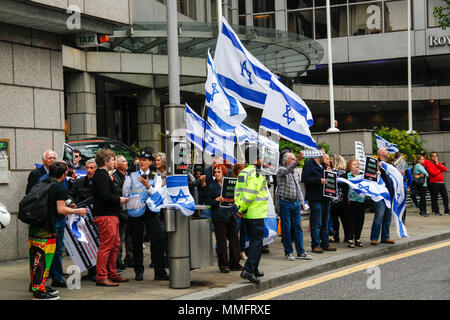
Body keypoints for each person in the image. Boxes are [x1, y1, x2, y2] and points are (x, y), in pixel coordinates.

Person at [28, 161, 87, 300]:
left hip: (35, 226)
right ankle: (38, 292)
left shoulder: (43, 182)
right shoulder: (58, 187)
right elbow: (61, 210)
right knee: (44, 258)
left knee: (36, 257)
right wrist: (77, 211)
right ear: (64, 174)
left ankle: (38, 286)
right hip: (47, 228)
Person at [122, 148, 169, 281]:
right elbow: (125, 194)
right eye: (140, 160)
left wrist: (148, 186)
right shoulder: (131, 176)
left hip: (151, 211)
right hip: (136, 211)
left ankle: (159, 271)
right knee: (136, 241)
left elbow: (158, 195)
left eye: (145, 160)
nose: (141, 162)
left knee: (158, 239)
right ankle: (138, 271)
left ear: (150, 162)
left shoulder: (156, 176)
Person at [92, 149, 129, 286]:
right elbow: (104, 195)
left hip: (110, 215)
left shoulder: (104, 175)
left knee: (115, 245)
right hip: (105, 215)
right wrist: (119, 199)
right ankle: (102, 276)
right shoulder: (101, 175)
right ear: (106, 162)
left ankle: (112, 273)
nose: (115, 162)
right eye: (113, 160)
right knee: (107, 246)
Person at [235, 146, 268, 284]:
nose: (261, 160)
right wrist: (243, 208)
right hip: (255, 212)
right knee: (256, 242)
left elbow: (238, 192)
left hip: (247, 213)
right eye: (260, 157)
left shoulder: (243, 172)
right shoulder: (255, 174)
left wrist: (240, 208)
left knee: (255, 241)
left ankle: (254, 268)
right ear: (256, 159)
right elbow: (250, 194)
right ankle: (249, 270)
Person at [204, 164, 242, 273]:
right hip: (219, 216)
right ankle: (224, 265)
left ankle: (235, 262)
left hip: (230, 214)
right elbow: (208, 203)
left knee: (234, 240)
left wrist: (237, 211)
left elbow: (236, 198)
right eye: (215, 172)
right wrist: (216, 200)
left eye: (218, 172)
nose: (216, 174)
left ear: (224, 173)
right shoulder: (212, 186)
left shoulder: (230, 184)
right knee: (221, 242)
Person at [276, 152, 312, 261]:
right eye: (292, 159)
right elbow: (287, 170)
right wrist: (298, 160)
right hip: (285, 202)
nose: (295, 160)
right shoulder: (280, 170)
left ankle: (301, 252)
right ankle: (288, 252)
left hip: (295, 202)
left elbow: (298, 188)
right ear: (286, 161)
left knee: (298, 227)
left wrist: (302, 202)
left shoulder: (296, 171)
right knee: (286, 228)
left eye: (294, 158)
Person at [68, 158, 97, 281]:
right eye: (87, 168)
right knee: (86, 244)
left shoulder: (100, 182)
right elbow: (69, 194)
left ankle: (99, 271)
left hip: (97, 216)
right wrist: (72, 204)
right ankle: (91, 271)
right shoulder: (79, 182)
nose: (89, 170)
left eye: (92, 168)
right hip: (83, 218)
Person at [301, 152, 336, 254]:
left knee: (325, 222)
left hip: (325, 197)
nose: (327, 159)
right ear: (318, 156)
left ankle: (325, 243)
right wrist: (319, 180)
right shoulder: (309, 164)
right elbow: (305, 178)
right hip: (315, 197)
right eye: (326, 157)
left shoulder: (324, 166)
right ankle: (315, 245)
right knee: (316, 222)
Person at [370, 148, 395, 246]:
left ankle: (385, 237)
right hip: (381, 195)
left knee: (388, 217)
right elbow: (370, 176)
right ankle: (374, 238)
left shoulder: (389, 165)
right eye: (386, 151)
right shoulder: (377, 164)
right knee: (379, 216)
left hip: (390, 194)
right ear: (380, 154)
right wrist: (377, 172)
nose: (388, 152)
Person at [112, 155, 133, 271]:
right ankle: (118, 260)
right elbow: (117, 191)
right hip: (120, 211)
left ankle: (130, 258)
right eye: (124, 161)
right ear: (118, 164)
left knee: (130, 237)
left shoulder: (128, 176)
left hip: (130, 210)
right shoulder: (115, 177)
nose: (126, 163)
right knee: (119, 237)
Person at [345, 160, 366, 248]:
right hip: (351, 202)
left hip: (361, 201)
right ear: (349, 166)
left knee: (360, 221)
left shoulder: (363, 175)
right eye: (354, 164)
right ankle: (350, 240)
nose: (356, 165)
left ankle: (357, 239)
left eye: (357, 164)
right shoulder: (346, 176)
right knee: (351, 221)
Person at [329, 155, 348, 243]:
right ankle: (347, 237)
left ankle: (336, 237)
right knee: (345, 220)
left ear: (334, 162)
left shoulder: (332, 172)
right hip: (344, 200)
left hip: (334, 200)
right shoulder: (345, 173)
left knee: (335, 220)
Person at [232, 163, 247, 261]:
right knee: (234, 232)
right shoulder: (233, 181)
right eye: (240, 169)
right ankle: (235, 252)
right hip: (236, 209)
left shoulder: (246, 181)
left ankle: (242, 251)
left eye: (243, 169)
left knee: (243, 232)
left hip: (245, 209)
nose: (242, 171)